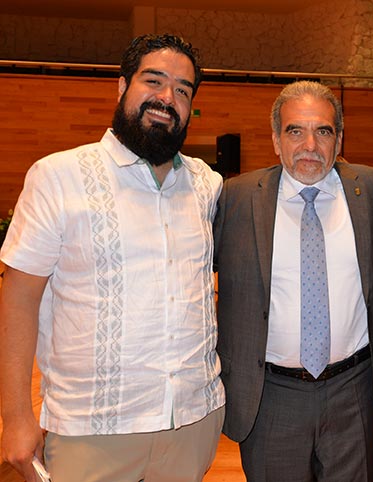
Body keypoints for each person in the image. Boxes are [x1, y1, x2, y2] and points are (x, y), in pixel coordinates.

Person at [0, 34, 225, 481]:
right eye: (154, 81)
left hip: (193, 424)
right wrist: (16, 418)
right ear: (121, 87)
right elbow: (18, 298)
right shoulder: (57, 177)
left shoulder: (206, 184)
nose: (167, 97)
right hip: (92, 433)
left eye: (183, 89)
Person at [213, 80, 373, 481]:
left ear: (339, 138)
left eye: (323, 131)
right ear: (276, 139)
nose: (310, 144)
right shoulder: (236, 198)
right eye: (295, 130)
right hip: (271, 396)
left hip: (354, 390)